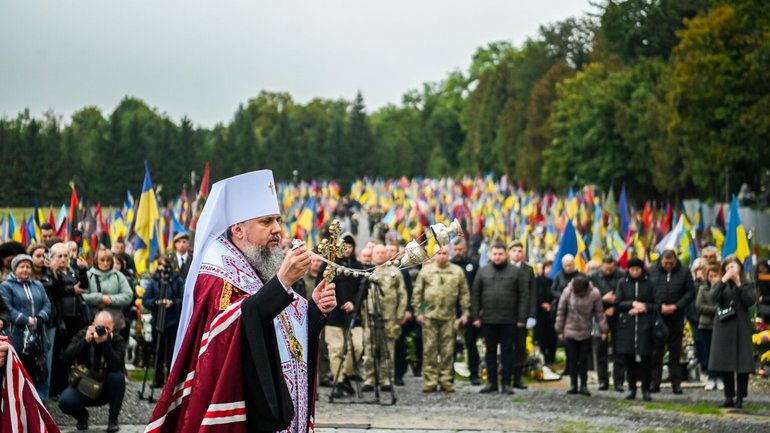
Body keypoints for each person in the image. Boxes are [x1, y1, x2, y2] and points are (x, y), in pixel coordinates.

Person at [146, 170, 337, 433]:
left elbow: (283, 334)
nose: (278, 230)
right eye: (267, 221)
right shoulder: (216, 273)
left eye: (278, 220)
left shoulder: (258, 263)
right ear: (238, 229)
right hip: (247, 409)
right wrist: (281, 284)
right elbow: (232, 330)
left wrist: (314, 310)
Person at [471, 242, 528, 395]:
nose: (497, 257)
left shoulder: (515, 272)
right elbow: (475, 294)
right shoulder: (482, 271)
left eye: (500, 254)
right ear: (490, 255)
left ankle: (506, 383)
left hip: (509, 320)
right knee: (489, 352)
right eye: (494, 254)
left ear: (506, 255)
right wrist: (475, 316)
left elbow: (524, 296)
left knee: (507, 352)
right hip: (488, 319)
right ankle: (491, 382)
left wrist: (522, 318)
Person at [413, 246, 469, 393]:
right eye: (439, 253)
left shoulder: (457, 271)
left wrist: (465, 313)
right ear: (434, 255)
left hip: (449, 317)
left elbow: (464, 293)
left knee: (447, 351)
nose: (442, 256)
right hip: (430, 317)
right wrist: (418, 312)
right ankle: (430, 381)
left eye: (445, 253)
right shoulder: (426, 271)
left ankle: (445, 380)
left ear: (448, 255)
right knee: (430, 350)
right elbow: (417, 293)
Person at [58, 311, 127, 432]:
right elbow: (65, 358)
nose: (103, 330)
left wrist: (105, 344)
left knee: (118, 378)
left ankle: (113, 420)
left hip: (106, 387)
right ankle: (82, 417)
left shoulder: (117, 340)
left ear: (112, 327)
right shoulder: (84, 334)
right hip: (83, 385)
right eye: (100, 327)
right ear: (93, 324)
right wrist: (85, 341)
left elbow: (117, 366)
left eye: (107, 328)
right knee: (65, 402)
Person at [319, 233, 366, 399]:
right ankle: (338, 380)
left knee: (357, 346)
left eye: (350, 246)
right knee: (336, 349)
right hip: (335, 316)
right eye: (344, 246)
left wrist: (353, 302)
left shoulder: (358, 266)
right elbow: (322, 287)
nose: (347, 249)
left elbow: (363, 289)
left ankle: (346, 373)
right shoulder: (330, 266)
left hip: (354, 315)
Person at [708, 256, 756, 409]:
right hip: (724, 326)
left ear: (740, 268)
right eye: (728, 268)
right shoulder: (720, 284)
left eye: (733, 267)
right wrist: (723, 281)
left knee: (743, 364)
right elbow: (712, 297)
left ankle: (740, 397)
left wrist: (739, 284)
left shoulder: (747, 284)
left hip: (741, 325)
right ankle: (729, 396)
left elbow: (749, 301)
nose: (731, 270)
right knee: (725, 362)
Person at [0, 254, 52, 386]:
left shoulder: (38, 284)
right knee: (17, 366)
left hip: (36, 332)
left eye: (28, 267)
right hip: (16, 333)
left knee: (34, 366)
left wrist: (40, 317)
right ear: (15, 269)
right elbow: (8, 308)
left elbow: (47, 303)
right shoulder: (6, 286)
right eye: (21, 266)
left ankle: (34, 398)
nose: (25, 269)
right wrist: (27, 320)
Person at [648, 249, 695, 394]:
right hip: (658, 316)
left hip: (676, 316)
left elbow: (690, 293)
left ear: (675, 261)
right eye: (665, 262)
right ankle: (654, 383)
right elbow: (648, 291)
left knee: (675, 352)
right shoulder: (652, 271)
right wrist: (659, 307)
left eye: (671, 263)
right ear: (661, 260)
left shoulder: (684, 271)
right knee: (656, 352)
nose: (668, 265)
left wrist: (677, 306)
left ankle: (676, 384)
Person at [362, 244, 407, 392]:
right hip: (371, 317)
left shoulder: (394, 272)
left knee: (387, 349)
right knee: (370, 348)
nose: (380, 255)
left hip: (389, 317)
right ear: (373, 255)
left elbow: (402, 294)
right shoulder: (367, 272)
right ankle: (370, 378)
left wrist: (400, 314)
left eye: (383, 252)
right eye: (377, 253)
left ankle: (386, 379)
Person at [555, 276, 608, 396]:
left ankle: (584, 385)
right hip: (570, 329)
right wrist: (560, 330)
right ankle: (573, 384)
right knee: (572, 359)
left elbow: (599, 313)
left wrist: (603, 330)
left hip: (586, 330)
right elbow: (561, 311)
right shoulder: (567, 292)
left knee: (584, 359)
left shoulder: (594, 294)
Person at [615, 258, 656, 401]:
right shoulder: (622, 283)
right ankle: (631, 387)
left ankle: (646, 389)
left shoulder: (649, 283)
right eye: (632, 270)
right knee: (628, 358)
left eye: (637, 270)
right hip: (627, 325)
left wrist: (644, 307)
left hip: (645, 325)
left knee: (646, 358)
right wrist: (632, 304)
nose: (635, 272)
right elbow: (618, 303)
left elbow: (656, 304)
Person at [142, 255, 184, 388]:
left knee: (171, 352)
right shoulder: (154, 281)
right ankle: (157, 378)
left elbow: (184, 299)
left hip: (172, 321)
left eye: (166, 265)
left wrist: (172, 303)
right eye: (161, 265)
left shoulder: (176, 280)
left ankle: (170, 381)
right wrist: (156, 303)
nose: (163, 269)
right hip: (158, 321)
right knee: (157, 350)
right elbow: (146, 300)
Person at [588, 256, 626, 392]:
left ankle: (619, 381)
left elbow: (626, 294)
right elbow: (589, 295)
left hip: (618, 315)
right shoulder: (593, 276)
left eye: (611, 269)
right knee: (600, 349)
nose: (608, 271)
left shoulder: (622, 275)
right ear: (602, 266)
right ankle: (602, 380)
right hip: (600, 315)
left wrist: (614, 307)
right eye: (606, 269)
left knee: (619, 349)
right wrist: (603, 299)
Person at [450, 237, 480, 385]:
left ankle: (474, 374)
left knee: (471, 343)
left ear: (465, 249)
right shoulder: (449, 264)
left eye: (460, 250)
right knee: (450, 343)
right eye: (455, 250)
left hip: (468, 308)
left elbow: (476, 289)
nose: (457, 252)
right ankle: (448, 374)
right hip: (451, 309)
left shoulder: (473, 265)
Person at [85, 247, 134, 333]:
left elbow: (128, 295)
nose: (105, 263)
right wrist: (99, 298)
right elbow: (82, 296)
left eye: (108, 260)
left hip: (114, 323)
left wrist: (110, 299)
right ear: (96, 260)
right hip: (92, 322)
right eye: (102, 260)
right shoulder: (88, 276)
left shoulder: (118, 276)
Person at [508, 240, 536, 390]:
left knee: (520, 346)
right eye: (514, 251)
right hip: (506, 313)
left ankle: (517, 378)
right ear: (509, 252)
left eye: (519, 251)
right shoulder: (504, 267)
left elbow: (532, 294)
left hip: (522, 314)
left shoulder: (528, 270)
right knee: (507, 346)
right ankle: (506, 375)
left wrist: (531, 315)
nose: (517, 253)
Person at [696, 264, 721, 391]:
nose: (712, 278)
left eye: (715, 275)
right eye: (710, 276)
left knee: (720, 353)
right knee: (709, 353)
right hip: (706, 324)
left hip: (721, 325)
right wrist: (715, 310)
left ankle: (720, 378)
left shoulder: (724, 288)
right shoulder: (703, 289)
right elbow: (699, 306)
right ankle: (711, 377)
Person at [534, 260, 557, 365]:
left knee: (552, 337)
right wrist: (542, 303)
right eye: (547, 267)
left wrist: (551, 305)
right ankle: (542, 357)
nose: (549, 270)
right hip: (540, 313)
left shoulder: (555, 280)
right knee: (541, 336)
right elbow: (534, 294)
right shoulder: (537, 281)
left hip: (553, 313)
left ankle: (551, 358)